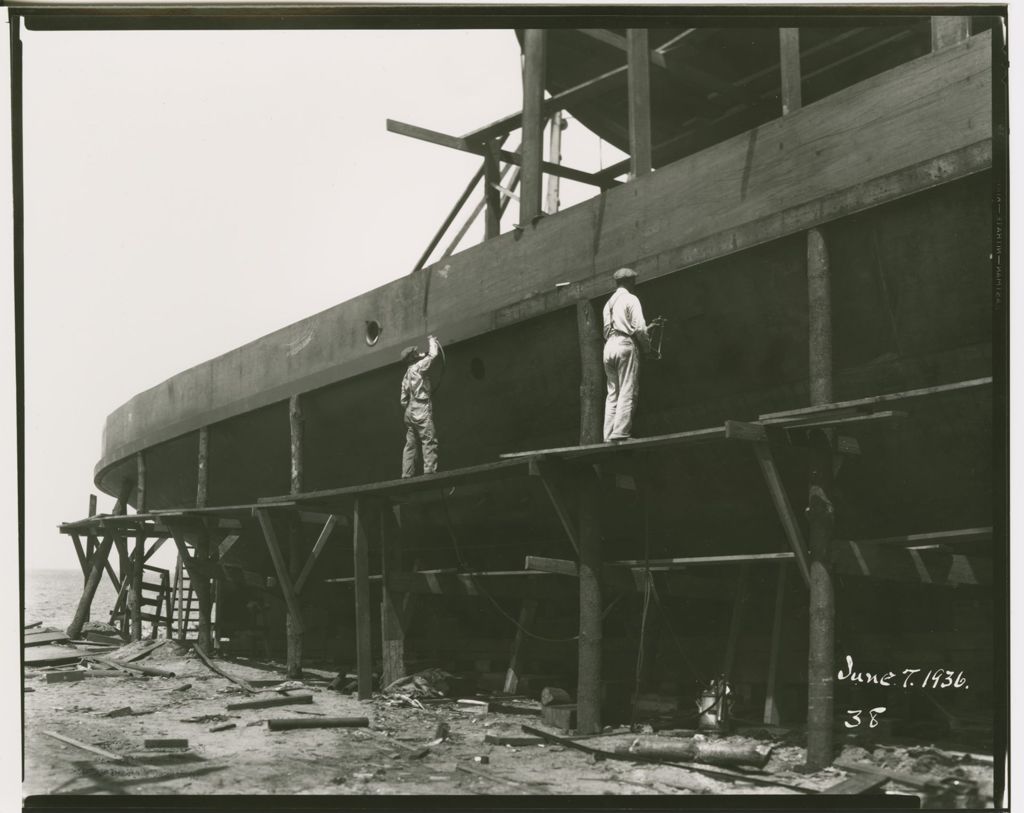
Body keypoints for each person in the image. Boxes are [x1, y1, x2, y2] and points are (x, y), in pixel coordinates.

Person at [602, 267, 659, 442]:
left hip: (608, 347)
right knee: (628, 389)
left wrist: (644, 331)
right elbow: (639, 328)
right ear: (629, 282)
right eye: (633, 281)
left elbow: (617, 327)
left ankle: (608, 435)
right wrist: (648, 349)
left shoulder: (608, 304)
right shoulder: (631, 298)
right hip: (625, 345)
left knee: (613, 393)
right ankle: (620, 433)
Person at [400, 335, 440, 477]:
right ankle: (429, 472)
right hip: (420, 408)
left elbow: (403, 400)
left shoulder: (406, 375)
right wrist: (432, 341)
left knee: (410, 444)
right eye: (415, 353)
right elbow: (433, 355)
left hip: (409, 411)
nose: (418, 354)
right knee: (429, 440)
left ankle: (406, 474)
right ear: (412, 357)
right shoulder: (418, 367)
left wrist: (410, 410)